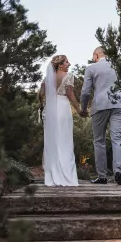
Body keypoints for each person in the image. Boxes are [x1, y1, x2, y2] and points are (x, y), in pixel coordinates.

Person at [80, 46, 121, 185]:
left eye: (93, 56)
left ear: (97, 55)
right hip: (120, 105)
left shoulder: (91, 68)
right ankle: (118, 172)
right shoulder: (118, 66)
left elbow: (85, 92)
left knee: (99, 141)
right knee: (118, 139)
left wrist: (83, 109)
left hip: (100, 106)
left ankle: (102, 176)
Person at [41, 54, 83, 186]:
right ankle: (66, 175)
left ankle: (52, 174)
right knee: (65, 140)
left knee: (52, 140)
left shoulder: (47, 78)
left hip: (50, 109)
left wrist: (42, 105)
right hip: (63, 108)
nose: (69, 64)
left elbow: (41, 94)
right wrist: (79, 110)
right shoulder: (69, 76)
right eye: (66, 62)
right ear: (60, 65)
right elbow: (70, 94)